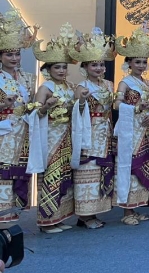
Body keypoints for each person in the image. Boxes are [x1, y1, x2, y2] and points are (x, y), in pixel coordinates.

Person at [30, 24, 77, 233]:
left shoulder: (71, 87)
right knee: (52, 174)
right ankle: (46, 221)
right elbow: (34, 112)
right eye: (57, 67)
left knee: (64, 175)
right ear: (48, 70)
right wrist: (46, 107)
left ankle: (59, 217)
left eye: (64, 67)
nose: (61, 71)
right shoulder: (45, 88)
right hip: (51, 136)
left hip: (68, 134)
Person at [69, 27, 116, 229]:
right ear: (85, 67)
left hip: (105, 130)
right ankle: (84, 215)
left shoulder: (109, 85)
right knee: (87, 170)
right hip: (89, 131)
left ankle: (94, 211)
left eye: (101, 64)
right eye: (94, 65)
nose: (98, 68)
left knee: (100, 171)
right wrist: (82, 101)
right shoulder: (81, 87)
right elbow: (75, 111)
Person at [114, 27, 149, 225]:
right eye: (137, 62)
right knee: (131, 167)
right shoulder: (125, 83)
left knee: (144, 165)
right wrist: (135, 108)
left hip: (146, 130)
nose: (141, 65)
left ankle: (136, 207)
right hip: (131, 130)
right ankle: (127, 212)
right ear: (129, 63)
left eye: (144, 62)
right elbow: (116, 105)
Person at [0, 9, 36, 226]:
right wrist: (3, 105)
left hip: (24, 131)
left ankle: (12, 218)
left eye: (17, 54)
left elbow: (32, 104)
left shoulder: (28, 78)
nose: (14, 58)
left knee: (18, 174)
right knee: (2, 173)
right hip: (4, 131)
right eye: (9, 55)